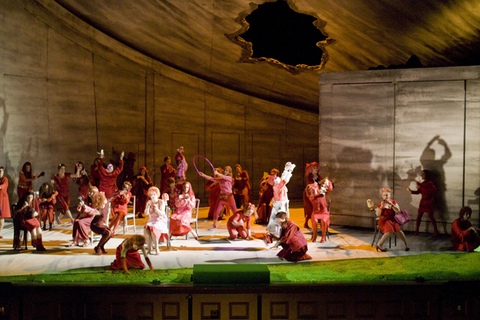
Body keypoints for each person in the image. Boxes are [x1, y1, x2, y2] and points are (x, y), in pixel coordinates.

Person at [199, 166, 237, 230]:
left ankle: (240, 225)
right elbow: (211, 179)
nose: (225, 171)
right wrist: (203, 175)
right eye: (224, 170)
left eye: (227, 170)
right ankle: (214, 225)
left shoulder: (229, 178)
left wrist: (217, 173)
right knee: (216, 212)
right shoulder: (220, 179)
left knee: (235, 212)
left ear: (229, 172)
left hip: (229, 197)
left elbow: (223, 176)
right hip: (222, 198)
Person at [266, 162, 295, 242]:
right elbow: (285, 179)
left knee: (277, 218)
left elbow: (282, 179)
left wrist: (286, 169)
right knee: (279, 219)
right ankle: (278, 234)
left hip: (280, 203)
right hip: (280, 204)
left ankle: (276, 234)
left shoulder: (277, 184)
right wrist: (289, 170)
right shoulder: (278, 185)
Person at [374, 188, 409, 252]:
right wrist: (381, 207)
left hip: (392, 220)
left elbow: (398, 211)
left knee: (398, 229)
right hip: (384, 221)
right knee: (389, 230)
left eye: (387, 195)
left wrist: (391, 204)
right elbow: (378, 214)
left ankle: (406, 245)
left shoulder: (393, 202)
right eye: (384, 195)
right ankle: (380, 244)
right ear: (382, 196)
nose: (386, 196)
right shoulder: (380, 203)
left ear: (390, 195)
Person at [406, 169, 438, 236]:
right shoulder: (423, 184)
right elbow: (418, 192)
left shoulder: (429, 183)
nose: (422, 175)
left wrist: (415, 181)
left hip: (429, 202)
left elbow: (425, 186)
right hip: (423, 202)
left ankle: (436, 230)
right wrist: (410, 190)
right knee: (419, 216)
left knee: (430, 216)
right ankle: (417, 230)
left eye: (423, 174)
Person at [307, 176, 333, 243]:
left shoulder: (322, 192)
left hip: (324, 212)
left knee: (324, 221)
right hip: (316, 212)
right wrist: (313, 187)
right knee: (315, 221)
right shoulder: (312, 194)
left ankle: (323, 236)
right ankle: (314, 236)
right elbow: (309, 192)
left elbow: (330, 188)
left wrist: (327, 181)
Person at [144, 187, 169, 255]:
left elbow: (162, 214)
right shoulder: (149, 202)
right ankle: (149, 248)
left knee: (153, 229)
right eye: (151, 195)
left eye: (154, 194)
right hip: (152, 221)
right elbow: (145, 213)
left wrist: (156, 209)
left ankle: (157, 249)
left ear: (157, 195)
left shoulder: (160, 202)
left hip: (160, 220)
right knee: (146, 229)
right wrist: (147, 207)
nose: (152, 196)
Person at [89, 191, 112, 255]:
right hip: (94, 226)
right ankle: (97, 247)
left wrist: (120, 193)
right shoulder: (97, 209)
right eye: (104, 198)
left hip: (100, 224)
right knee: (107, 233)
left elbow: (112, 197)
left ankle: (101, 245)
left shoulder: (106, 205)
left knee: (111, 232)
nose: (105, 199)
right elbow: (90, 211)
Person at [303, 162, 321, 228]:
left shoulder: (318, 176)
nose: (316, 170)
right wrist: (317, 183)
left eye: (316, 168)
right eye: (314, 168)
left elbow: (321, 181)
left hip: (316, 194)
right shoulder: (309, 177)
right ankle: (306, 222)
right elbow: (310, 185)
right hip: (309, 194)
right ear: (311, 170)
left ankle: (318, 221)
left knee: (317, 207)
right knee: (309, 208)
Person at [0, 166, 10, 239]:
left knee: (1, 216)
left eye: (1, 171)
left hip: (2, 199)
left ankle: (0, 232)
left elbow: (4, 185)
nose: (0, 173)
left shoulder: (5, 179)